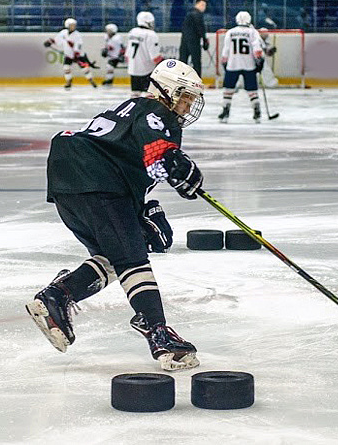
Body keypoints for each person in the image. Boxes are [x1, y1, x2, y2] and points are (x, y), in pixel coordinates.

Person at [26, 59, 206, 372]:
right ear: (169, 91)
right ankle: (159, 333)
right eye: (186, 96)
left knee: (119, 251)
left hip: (70, 179)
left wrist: (144, 208)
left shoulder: (129, 107)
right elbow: (155, 148)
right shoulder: (157, 111)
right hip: (98, 180)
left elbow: (129, 157)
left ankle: (58, 295)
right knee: (132, 257)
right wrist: (171, 159)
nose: (189, 104)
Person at [218, 11, 263, 123]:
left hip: (233, 64)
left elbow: (226, 49)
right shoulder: (253, 32)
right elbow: (257, 49)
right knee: (252, 89)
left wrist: (224, 61)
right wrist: (259, 61)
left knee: (228, 89)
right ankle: (256, 110)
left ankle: (225, 110)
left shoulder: (231, 32)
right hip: (249, 64)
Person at [44, 18, 98, 90]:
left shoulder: (77, 35)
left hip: (78, 55)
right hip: (68, 55)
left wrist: (76, 54)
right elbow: (57, 41)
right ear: (67, 25)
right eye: (71, 25)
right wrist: (50, 42)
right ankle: (69, 81)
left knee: (85, 69)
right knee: (66, 68)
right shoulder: (63, 33)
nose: (73, 27)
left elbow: (78, 45)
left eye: (74, 25)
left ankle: (91, 81)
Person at [125, 11, 164, 97]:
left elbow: (127, 55)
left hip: (133, 69)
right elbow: (155, 57)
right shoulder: (151, 35)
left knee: (135, 96)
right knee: (148, 96)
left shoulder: (132, 32)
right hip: (146, 70)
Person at [179, 0, 209, 77]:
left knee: (182, 61)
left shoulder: (189, 14)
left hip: (185, 41)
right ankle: (197, 80)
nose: (204, 7)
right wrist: (205, 40)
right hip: (194, 41)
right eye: (202, 5)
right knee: (196, 62)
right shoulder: (197, 14)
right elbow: (201, 28)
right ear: (197, 4)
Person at [100, 23, 125, 87]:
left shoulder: (117, 38)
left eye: (109, 30)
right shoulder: (107, 37)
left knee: (109, 67)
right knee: (109, 67)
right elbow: (108, 46)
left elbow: (122, 47)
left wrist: (121, 55)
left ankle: (109, 80)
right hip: (112, 56)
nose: (108, 32)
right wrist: (105, 50)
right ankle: (109, 80)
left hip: (117, 56)